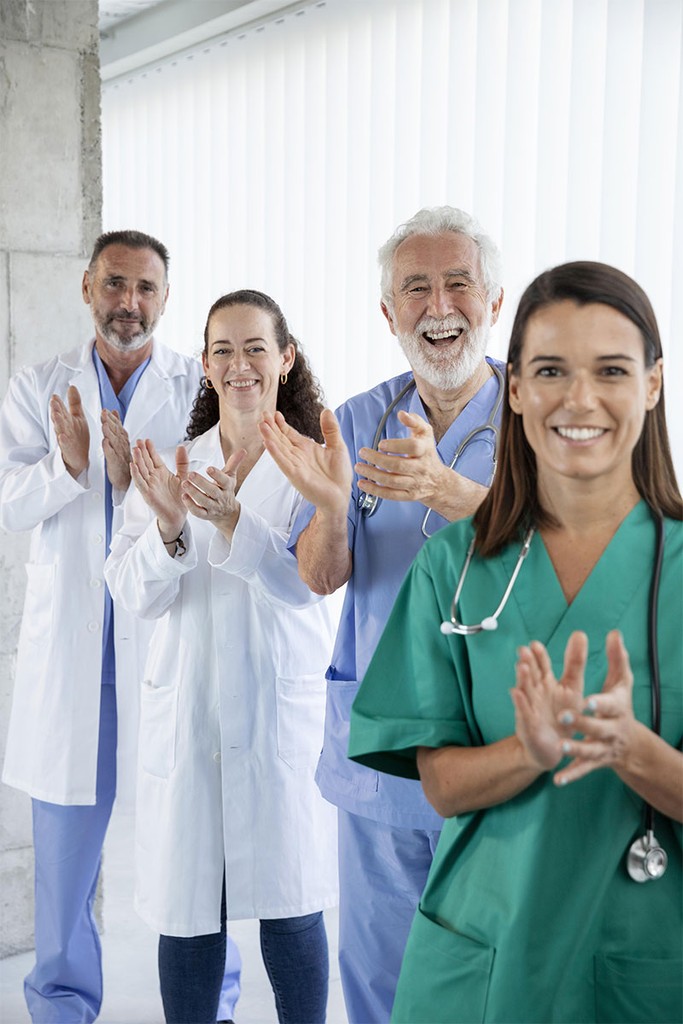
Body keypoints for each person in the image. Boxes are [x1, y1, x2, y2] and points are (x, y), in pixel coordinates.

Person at [349, 261, 683, 1023]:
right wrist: (527, 753)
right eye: (549, 370)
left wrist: (632, 750)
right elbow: (437, 782)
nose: (579, 398)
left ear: (652, 385)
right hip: (484, 949)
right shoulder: (453, 564)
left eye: (610, 370)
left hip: (644, 951)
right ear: (516, 391)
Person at [260, 205, 506, 1022]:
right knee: (377, 981)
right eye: (415, 289)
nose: (439, 307)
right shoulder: (355, 421)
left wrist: (449, 491)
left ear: (494, 301)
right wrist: (332, 509)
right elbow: (319, 577)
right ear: (387, 313)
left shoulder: (540, 421)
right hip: (380, 750)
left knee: (493, 975)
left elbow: (576, 552)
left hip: (501, 746)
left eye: (458, 284)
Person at [0, 229, 241, 1023]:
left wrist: (132, 484)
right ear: (86, 288)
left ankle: (216, 996)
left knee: (199, 847)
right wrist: (69, 468)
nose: (127, 304)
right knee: (65, 864)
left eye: (144, 289)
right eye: (114, 285)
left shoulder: (196, 388)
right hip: (74, 661)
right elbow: (7, 503)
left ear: (164, 299)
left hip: (168, 639)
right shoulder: (38, 387)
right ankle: (62, 1003)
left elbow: (209, 508)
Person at [104, 289, 338, 1024]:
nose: (239, 364)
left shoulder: (313, 460)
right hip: (189, 719)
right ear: (205, 364)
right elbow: (128, 590)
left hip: (277, 714)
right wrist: (171, 528)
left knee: (291, 907)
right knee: (189, 910)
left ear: (285, 357)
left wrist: (236, 520)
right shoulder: (170, 463)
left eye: (255, 347)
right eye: (223, 350)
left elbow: (309, 585)